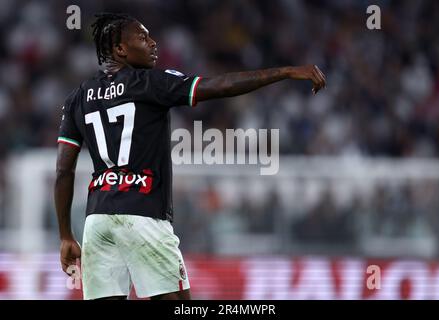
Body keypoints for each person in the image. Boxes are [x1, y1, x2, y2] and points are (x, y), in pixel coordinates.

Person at [54, 12, 326, 300]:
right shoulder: (150, 82)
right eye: (143, 38)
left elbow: (63, 171)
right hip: (143, 214)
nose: (153, 43)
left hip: (97, 220)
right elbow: (220, 86)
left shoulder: (78, 97)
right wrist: (284, 72)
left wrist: (65, 236)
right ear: (120, 49)